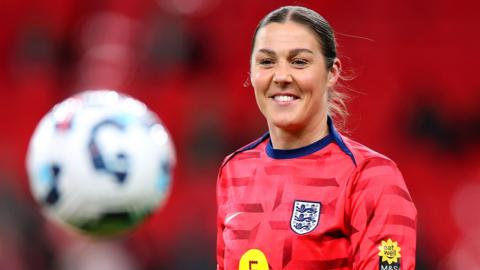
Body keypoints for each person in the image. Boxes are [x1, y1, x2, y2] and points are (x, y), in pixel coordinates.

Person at [216, 5, 417, 270]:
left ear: (332, 72)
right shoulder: (234, 171)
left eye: (299, 62)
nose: (282, 76)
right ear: (251, 73)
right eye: (266, 62)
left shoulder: (371, 177)